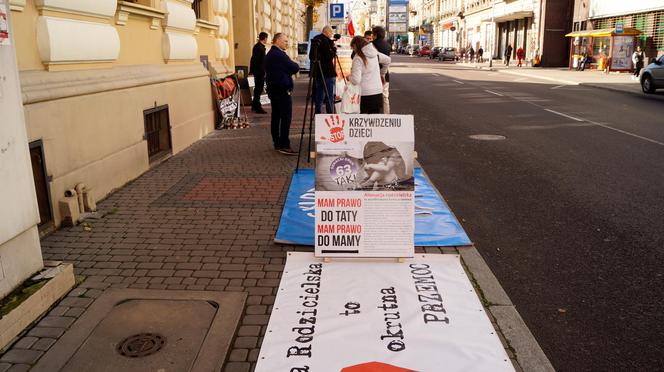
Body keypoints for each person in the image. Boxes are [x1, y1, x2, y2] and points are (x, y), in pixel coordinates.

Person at [265, 33, 300, 155]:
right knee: (285, 118)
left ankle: (277, 143)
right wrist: (295, 65)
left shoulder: (271, 54)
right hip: (281, 90)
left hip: (274, 90)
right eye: (285, 41)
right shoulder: (279, 54)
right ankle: (284, 144)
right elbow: (294, 67)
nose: (287, 43)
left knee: (276, 117)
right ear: (277, 41)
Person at [349, 36, 391, 114]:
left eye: (353, 47)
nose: (353, 50)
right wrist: (382, 73)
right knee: (374, 122)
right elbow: (388, 60)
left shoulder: (358, 58)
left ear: (356, 45)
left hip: (364, 93)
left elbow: (356, 80)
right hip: (377, 92)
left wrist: (349, 77)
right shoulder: (375, 54)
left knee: (363, 122)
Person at [309, 26, 337, 114]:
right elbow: (329, 56)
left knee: (319, 94)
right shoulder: (325, 41)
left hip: (318, 72)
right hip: (328, 72)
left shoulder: (316, 40)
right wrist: (333, 50)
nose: (331, 34)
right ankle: (330, 114)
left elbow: (311, 56)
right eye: (331, 32)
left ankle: (318, 113)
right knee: (329, 95)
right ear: (327, 32)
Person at [371, 26, 391, 114]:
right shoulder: (387, 45)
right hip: (385, 74)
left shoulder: (372, 45)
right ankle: (387, 116)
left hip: (374, 74)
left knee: (374, 96)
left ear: (375, 34)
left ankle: (376, 117)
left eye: (372, 34)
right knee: (385, 97)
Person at [249, 32, 268, 114]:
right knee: (258, 89)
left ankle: (254, 105)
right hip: (259, 72)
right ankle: (257, 107)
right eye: (267, 38)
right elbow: (254, 60)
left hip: (259, 71)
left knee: (258, 89)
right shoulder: (259, 47)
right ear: (265, 38)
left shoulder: (260, 46)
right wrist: (253, 71)